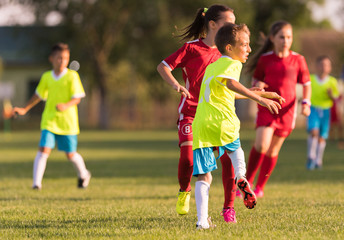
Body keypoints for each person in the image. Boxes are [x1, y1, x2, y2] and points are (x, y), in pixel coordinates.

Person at [192, 23, 285, 229]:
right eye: (244, 45)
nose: (249, 49)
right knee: (235, 150)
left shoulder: (213, 66)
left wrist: (258, 93)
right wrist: (260, 100)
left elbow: (228, 90)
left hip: (202, 125)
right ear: (229, 48)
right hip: (224, 123)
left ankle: (202, 222)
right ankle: (241, 177)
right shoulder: (233, 64)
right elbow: (232, 83)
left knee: (204, 176)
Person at [157, 4, 239, 221]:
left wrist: (249, 93)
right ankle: (184, 190)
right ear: (213, 24)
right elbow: (163, 66)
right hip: (191, 114)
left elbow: (228, 86)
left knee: (228, 161)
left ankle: (228, 207)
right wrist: (176, 84)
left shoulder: (228, 54)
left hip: (216, 116)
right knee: (188, 159)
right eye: (229, 22)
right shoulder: (191, 48)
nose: (234, 27)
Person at [242, 20, 311, 198]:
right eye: (282, 37)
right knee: (261, 145)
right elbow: (256, 80)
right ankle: (246, 183)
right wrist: (259, 85)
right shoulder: (265, 60)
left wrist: (306, 103)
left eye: (289, 37)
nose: (286, 40)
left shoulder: (299, 59)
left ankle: (260, 187)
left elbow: (306, 84)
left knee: (273, 151)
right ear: (272, 38)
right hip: (267, 108)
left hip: (287, 111)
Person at [12, 43, 91, 190]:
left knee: (70, 154)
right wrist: (25, 109)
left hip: (68, 123)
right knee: (43, 150)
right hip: (49, 120)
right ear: (52, 59)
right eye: (59, 58)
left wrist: (65, 105)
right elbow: (38, 95)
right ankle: (36, 184)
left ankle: (84, 174)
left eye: (65, 58)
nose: (62, 61)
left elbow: (77, 98)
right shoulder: (47, 77)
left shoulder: (72, 76)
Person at [307, 56, 339, 169]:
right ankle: (311, 155)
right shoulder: (310, 79)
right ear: (316, 66)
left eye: (326, 65)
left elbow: (336, 97)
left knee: (322, 136)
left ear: (329, 68)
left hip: (326, 111)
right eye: (321, 64)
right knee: (314, 132)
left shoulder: (332, 81)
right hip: (313, 109)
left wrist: (331, 95)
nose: (323, 67)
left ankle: (318, 160)